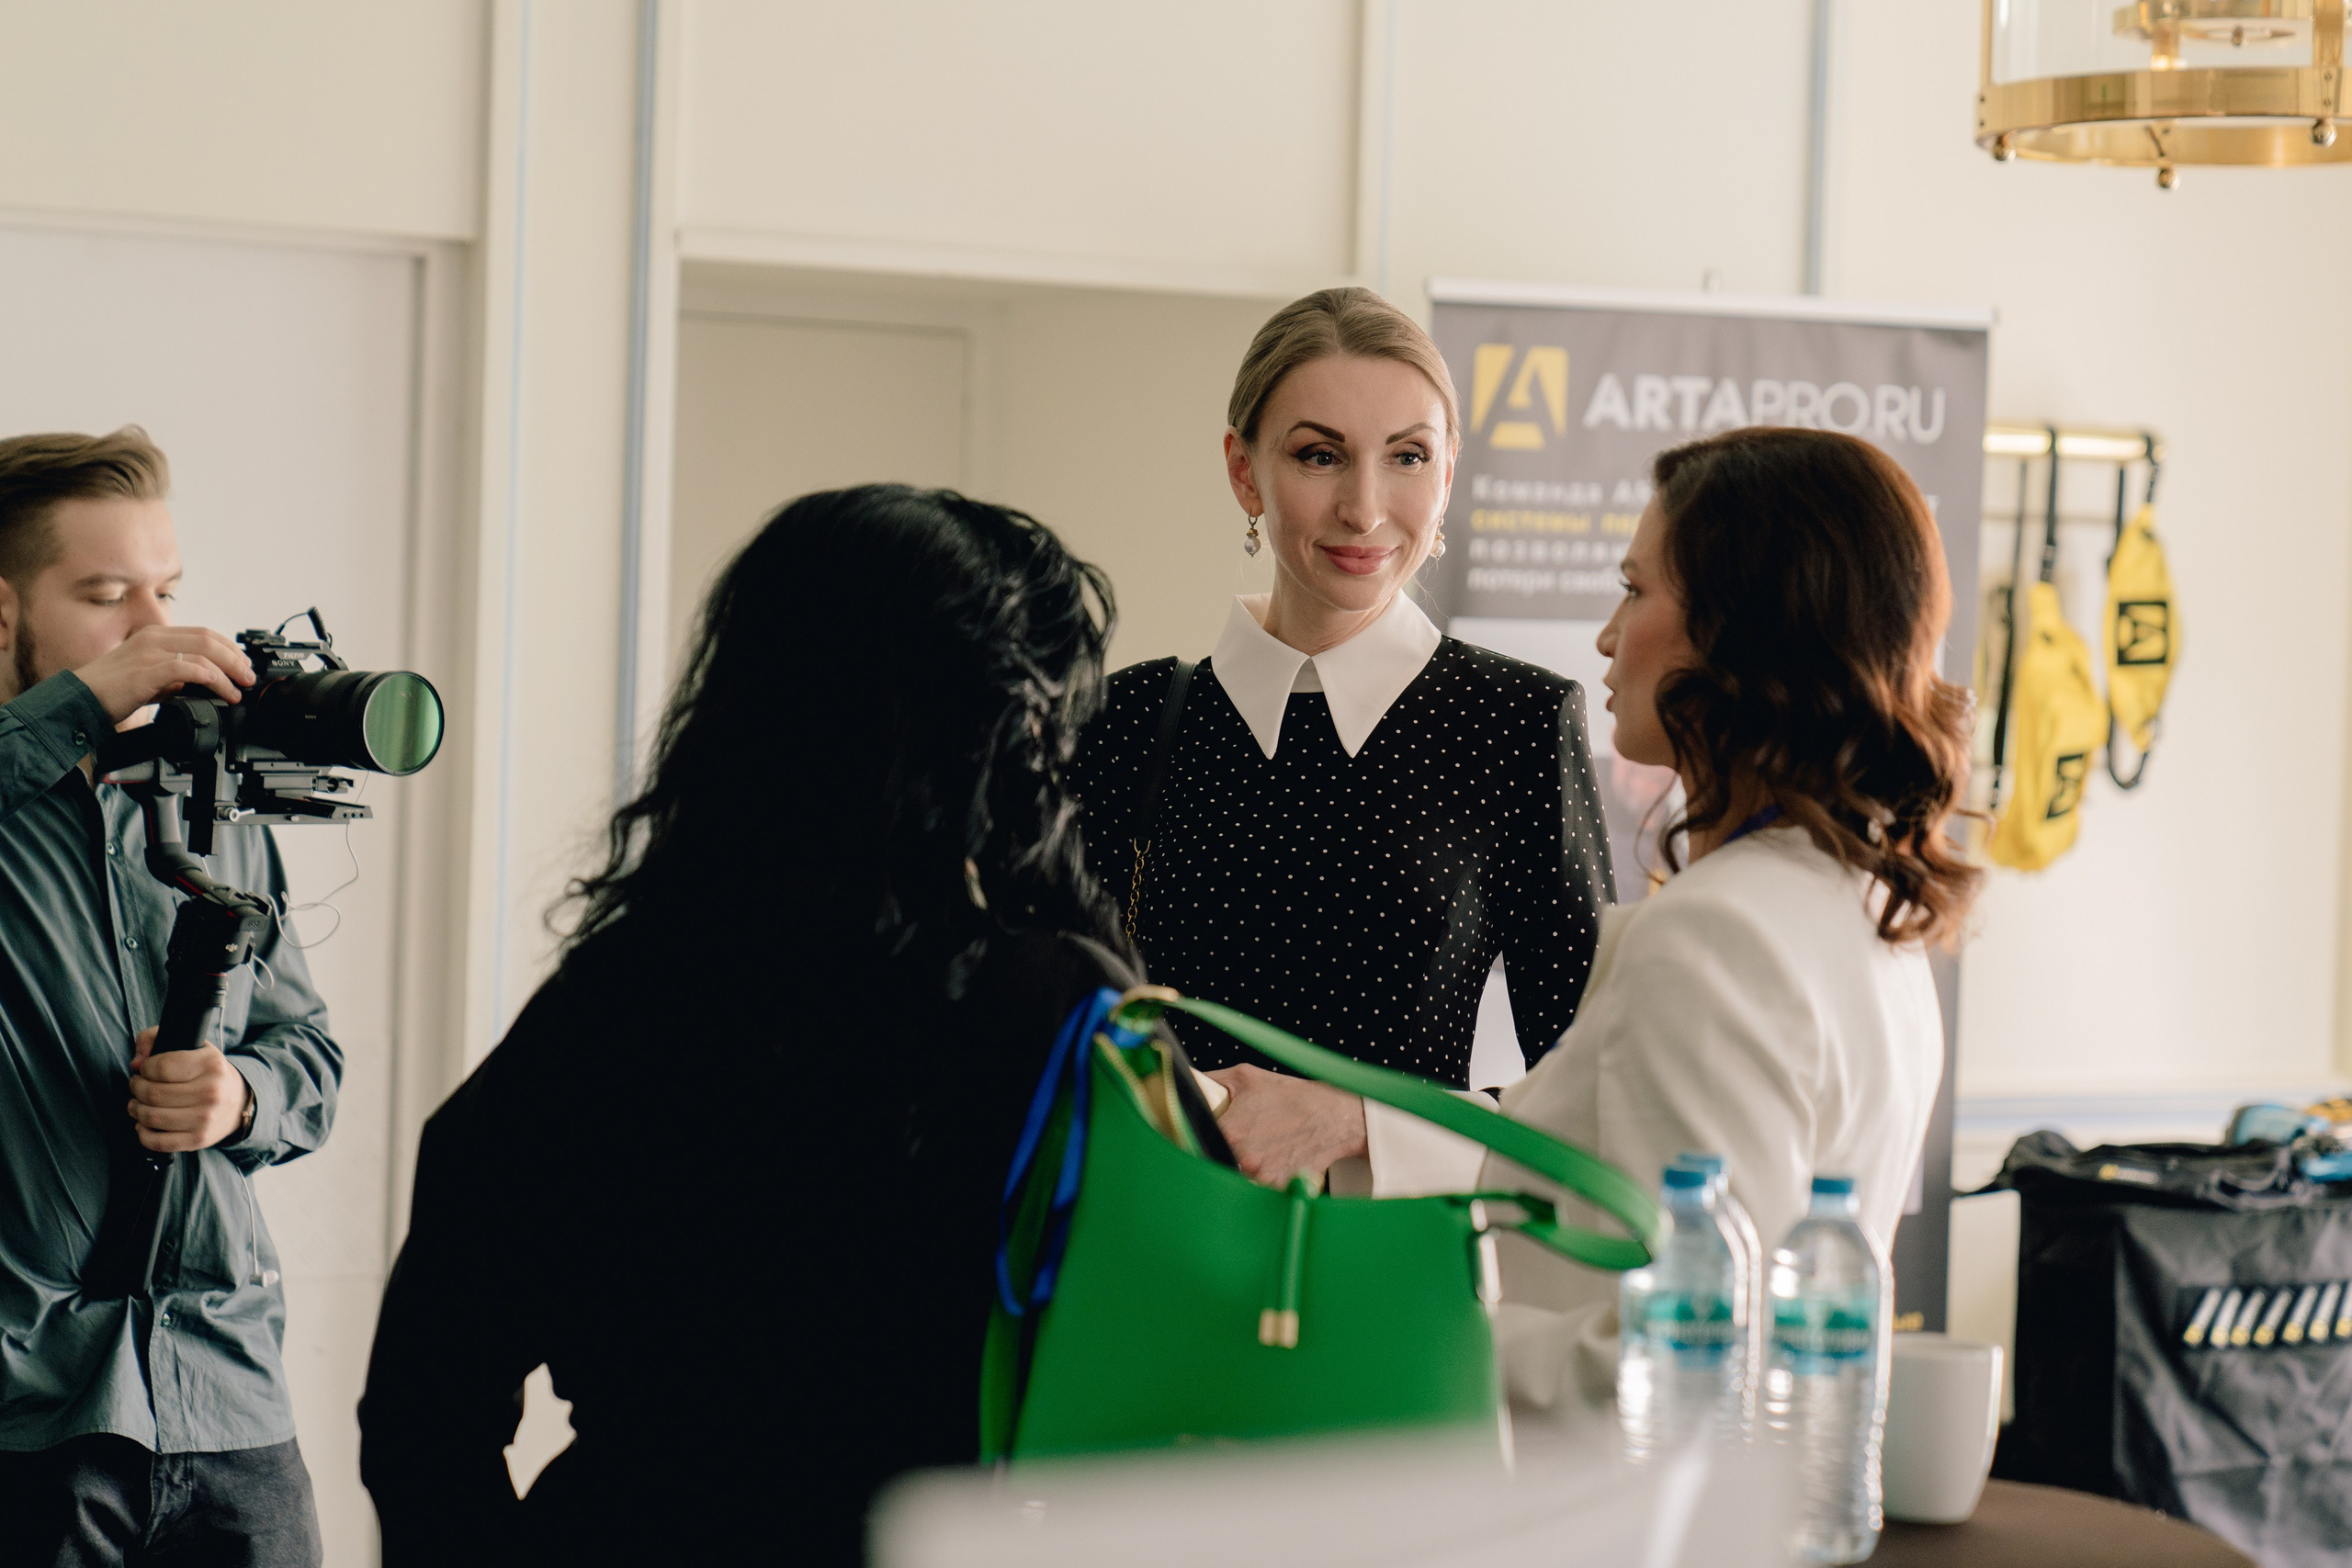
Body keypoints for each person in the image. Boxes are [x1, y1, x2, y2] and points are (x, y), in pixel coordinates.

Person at [359, 486, 1159, 1565]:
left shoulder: (606, 1005)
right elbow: (1153, 1409)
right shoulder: (1061, 1012)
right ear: (988, 733)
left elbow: (423, 1410)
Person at [1474, 426, 1978, 1416]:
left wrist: (1432, 1340)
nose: (1608, 638)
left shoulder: (1718, 936)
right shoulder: (1861, 908)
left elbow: (1700, 1370)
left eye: (1634, 590)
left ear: (1738, 630)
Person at [1072, 287, 1613, 1193]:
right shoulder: (1125, 718)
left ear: (1445, 477)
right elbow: (1061, 1032)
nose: (1364, 509)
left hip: (1391, 1263)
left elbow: (1592, 1081)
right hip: (1155, 1243)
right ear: (1245, 473)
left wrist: (1360, 1121)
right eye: (1319, 455)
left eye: (1407, 456)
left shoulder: (1513, 723)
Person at [0, 429, 340, 1567]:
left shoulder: (212, 807)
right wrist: (78, 705)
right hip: (28, 1417)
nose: (156, 628)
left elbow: (309, 1052)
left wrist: (239, 1099)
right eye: (105, 595)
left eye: (169, 589)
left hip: (231, 1403)